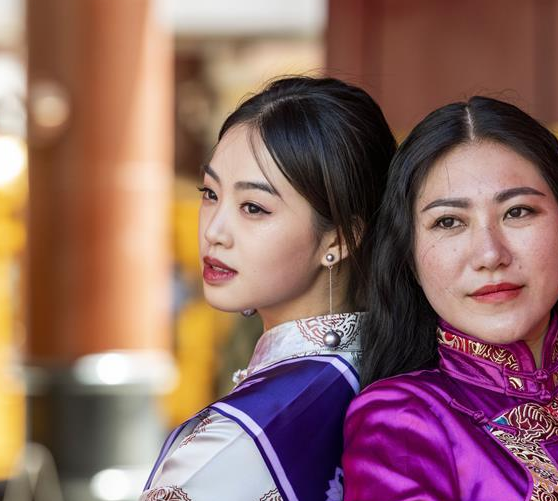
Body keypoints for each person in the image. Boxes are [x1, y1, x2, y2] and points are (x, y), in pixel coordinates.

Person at [342, 96, 558, 501]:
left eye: (517, 212)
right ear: (410, 260)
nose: (490, 254)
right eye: (449, 221)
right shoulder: (402, 422)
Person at [141, 76, 396, 501]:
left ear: (339, 238)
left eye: (253, 208)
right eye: (210, 194)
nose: (215, 231)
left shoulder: (234, 440)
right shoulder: (391, 372)